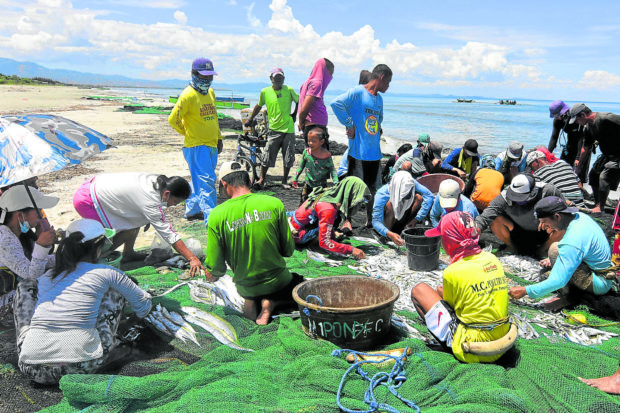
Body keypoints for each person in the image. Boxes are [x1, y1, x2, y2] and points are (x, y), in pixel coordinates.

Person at [14, 218, 152, 384]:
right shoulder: (108, 273)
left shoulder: (47, 276)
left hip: (32, 369)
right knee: (114, 289)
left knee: (26, 285)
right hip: (81, 366)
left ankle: (36, 345)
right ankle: (108, 344)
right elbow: (143, 307)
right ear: (99, 248)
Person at [204, 161, 301, 325]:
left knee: (249, 294)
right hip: (278, 281)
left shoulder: (216, 215)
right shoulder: (274, 203)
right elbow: (288, 250)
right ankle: (271, 301)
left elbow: (216, 269)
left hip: (246, 286)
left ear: (224, 183)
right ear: (249, 180)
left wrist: (210, 274)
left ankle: (252, 301)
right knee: (297, 282)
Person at [410, 211, 512, 363]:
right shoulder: (492, 259)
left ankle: (447, 345)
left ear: (450, 240)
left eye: (443, 238)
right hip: (503, 338)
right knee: (440, 290)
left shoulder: (452, 271)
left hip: (474, 349)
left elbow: (453, 308)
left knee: (419, 289)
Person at [73, 173, 204, 276]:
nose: (173, 205)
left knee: (135, 220)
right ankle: (92, 261)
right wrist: (191, 258)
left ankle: (128, 254)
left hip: (98, 186)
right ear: (167, 193)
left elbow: (137, 201)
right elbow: (168, 232)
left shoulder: (160, 181)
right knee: (103, 237)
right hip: (89, 199)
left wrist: (146, 219)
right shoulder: (150, 199)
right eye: (174, 202)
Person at [508, 196, 615, 311]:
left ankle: (568, 296)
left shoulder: (573, 239)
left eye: (544, 222)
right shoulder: (579, 217)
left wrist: (525, 290)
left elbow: (558, 280)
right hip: (602, 272)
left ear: (557, 216)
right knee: (557, 251)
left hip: (600, 282)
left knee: (554, 250)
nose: (544, 226)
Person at [331, 64, 392, 226]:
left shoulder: (379, 99)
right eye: (388, 82)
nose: (388, 86)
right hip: (358, 152)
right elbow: (336, 103)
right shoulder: (357, 92)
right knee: (353, 189)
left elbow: (379, 119)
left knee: (373, 190)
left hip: (374, 153)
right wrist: (349, 124)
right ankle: (347, 221)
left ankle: (370, 221)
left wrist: (378, 129)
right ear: (381, 77)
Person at [168, 57, 223, 223]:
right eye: (204, 76)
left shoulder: (210, 93)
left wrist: (219, 138)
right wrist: (186, 132)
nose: (207, 80)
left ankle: (192, 210)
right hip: (197, 146)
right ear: (194, 74)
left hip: (211, 144)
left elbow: (213, 117)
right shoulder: (187, 95)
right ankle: (211, 219)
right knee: (207, 182)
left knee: (198, 179)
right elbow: (173, 119)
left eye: (210, 76)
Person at [0, 186, 58, 316]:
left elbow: (37, 262)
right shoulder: (4, 239)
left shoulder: (22, 234)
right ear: (20, 215)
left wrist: (65, 254)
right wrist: (42, 246)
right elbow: (32, 277)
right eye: (38, 212)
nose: (42, 216)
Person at [475, 174, 564, 257]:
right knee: (494, 219)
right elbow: (486, 216)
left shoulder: (548, 191)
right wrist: (474, 231)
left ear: (533, 192)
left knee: (562, 223)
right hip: (517, 231)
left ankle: (542, 250)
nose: (518, 202)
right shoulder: (505, 196)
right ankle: (511, 247)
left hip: (542, 231)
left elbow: (565, 213)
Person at [245, 68, 299, 189]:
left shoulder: (289, 90)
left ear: (283, 79)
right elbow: (258, 106)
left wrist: (295, 114)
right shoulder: (265, 92)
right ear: (271, 78)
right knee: (267, 154)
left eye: (281, 77)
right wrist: (250, 119)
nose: (278, 80)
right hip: (274, 129)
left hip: (288, 129)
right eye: (276, 77)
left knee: (288, 156)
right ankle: (262, 179)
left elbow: (299, 101)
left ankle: (284, 181)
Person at [290, 176, 367, 259]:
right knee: (325, 242)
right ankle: (312, 242)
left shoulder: (330, 194)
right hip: (297, 234)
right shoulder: (328, 208)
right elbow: (325, 242)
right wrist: (351, 250)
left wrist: (333, 239)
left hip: (297, 224)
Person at [571, 103, 620, 213]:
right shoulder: (588, 128)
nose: (576, 123)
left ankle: (601, 207)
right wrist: (578, 167)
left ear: (583, 115)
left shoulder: (606, 118)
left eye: (576, 119)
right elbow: (586, 147)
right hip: (607, 155)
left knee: (604, 177)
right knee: (593, 175)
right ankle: (598, 203)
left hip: (618, 155)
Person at [372, 171, 434, 246]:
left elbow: (429, 195)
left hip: (403, 216)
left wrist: (417, 218)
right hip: (388, 222)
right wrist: (389, 234)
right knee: (390, 204)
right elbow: (376, 221)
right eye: (405, 193)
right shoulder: (382, 194)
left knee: (419, 198)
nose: (409, 194)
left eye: (410, 191)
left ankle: (406, 227)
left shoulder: (410, 183)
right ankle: (387, 235)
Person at [291, 127, 338, 203]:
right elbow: (301, 166)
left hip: (321, 187)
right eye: (309, 141)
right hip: (308, 185)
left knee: (318, 205)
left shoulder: (326, 155)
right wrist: (295, 178)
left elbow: (332, 170)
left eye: (313, 141)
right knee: (303, 205)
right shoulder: (306, 152)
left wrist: (336, 182)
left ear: (321, 141)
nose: (310, 143)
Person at [298, 58, 334, 148]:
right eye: (330, 73)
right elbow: (305, 108)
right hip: (316, 126)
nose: (331, 77)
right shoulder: (316, 83)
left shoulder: (307, 82)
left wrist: (302, 122)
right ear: (323, 71)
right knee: (320, 158)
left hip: (311, 125)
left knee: (313, 157)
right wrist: (301, 122)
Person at [548, 100, 583, 167]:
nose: (557, 118)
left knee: (579, 171)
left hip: (583, 145)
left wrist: (578, 158)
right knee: (562, 166)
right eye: (555, 116)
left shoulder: (577, 118)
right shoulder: (557, 120)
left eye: (558, 115)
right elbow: (554, 138)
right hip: (570, 144)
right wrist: (548, 155)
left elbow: (581, 138)